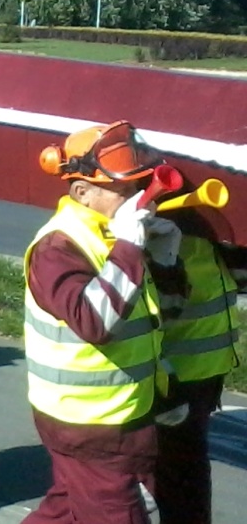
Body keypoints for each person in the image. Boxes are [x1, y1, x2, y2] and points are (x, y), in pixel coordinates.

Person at [22, 120, 186, 524]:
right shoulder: (57, 247)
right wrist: (130, 246)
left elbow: (160, 315)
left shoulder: (115, 236)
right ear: (82, 192)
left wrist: (163, 260)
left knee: (64, 511)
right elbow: (94, 321)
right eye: (126, 190)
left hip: (119, 415)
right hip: (89, 424)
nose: (140, 200)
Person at [153, 200, 246, 524]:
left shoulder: (213, 230)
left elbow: (240, 279)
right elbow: (156, 312)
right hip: (173, 379)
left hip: (207, 374)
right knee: (179, 477)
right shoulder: (161, 232)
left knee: (184, 473)